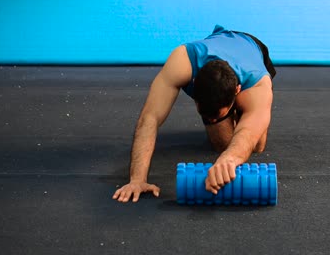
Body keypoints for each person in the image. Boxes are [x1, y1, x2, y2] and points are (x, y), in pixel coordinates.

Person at [112, 25, 276, 203]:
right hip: (214, 56)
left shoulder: (257, 84)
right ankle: (225, 116)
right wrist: (137, 179)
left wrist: (229, 159)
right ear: (194, 82)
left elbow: (249, 134)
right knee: (222, 144)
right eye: (205, 112)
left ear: (237, 90)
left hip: (251, 49)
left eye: (216, 114)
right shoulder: (182, 62)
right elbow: (150, 118)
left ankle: (240, 112)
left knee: (257, 145)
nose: (212, 119)